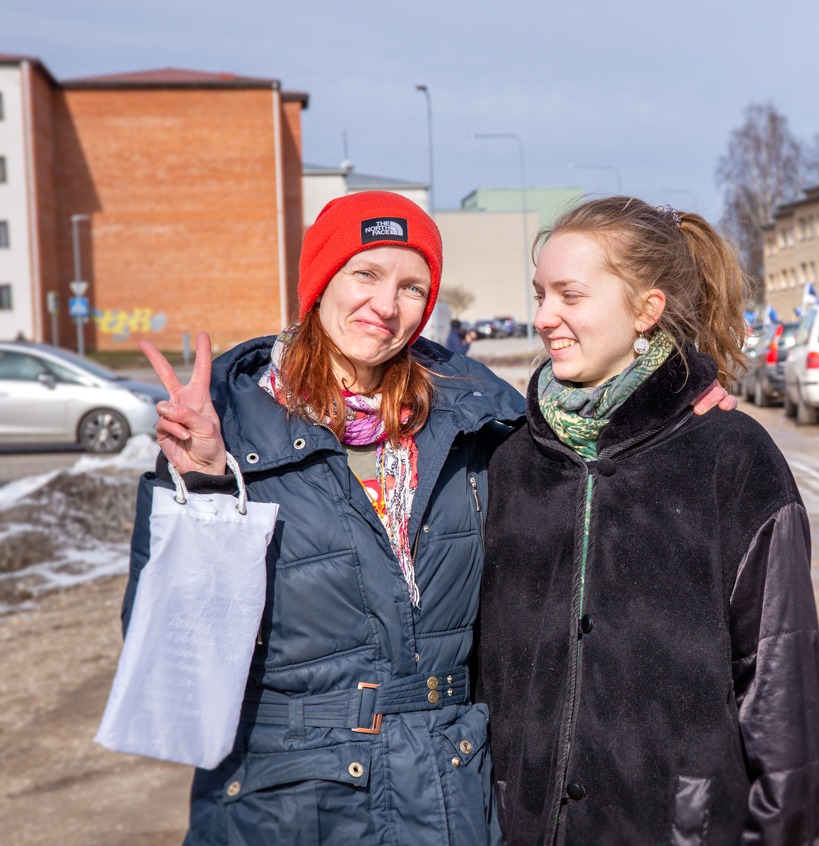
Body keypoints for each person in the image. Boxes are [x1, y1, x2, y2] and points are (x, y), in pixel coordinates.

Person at [127, 191, 736, 844]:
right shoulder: (226, 431)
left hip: (448, 793)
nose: (386, 306)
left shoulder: (474, 417)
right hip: (285, 805)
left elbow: (587, 444)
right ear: (319, 279)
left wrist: (675, 401)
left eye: (412, 287)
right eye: (365, 273)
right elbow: (174, 654)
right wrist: (207, 486)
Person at [476, 197, 819, 845]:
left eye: (570, 295)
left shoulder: (731, 456)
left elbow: (781, 695)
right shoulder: (506, 461)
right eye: (540, 293)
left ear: (647, 309)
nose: (543, 317)